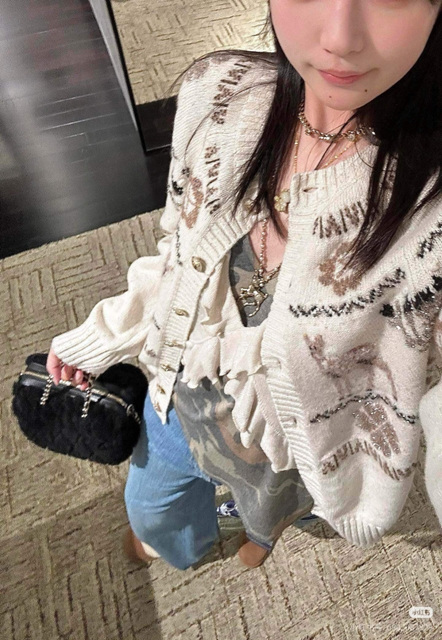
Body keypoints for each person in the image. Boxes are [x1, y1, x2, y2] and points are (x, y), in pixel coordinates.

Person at [47, 0, 442, 571]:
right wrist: (100, 335)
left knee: (272, 514)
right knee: (153, 509)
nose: (340, 37)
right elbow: (178, 252)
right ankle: (185, 544)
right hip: (178, 399)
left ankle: (262, 535)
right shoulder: (219, 93)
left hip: (292, 451)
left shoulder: (429, 210)